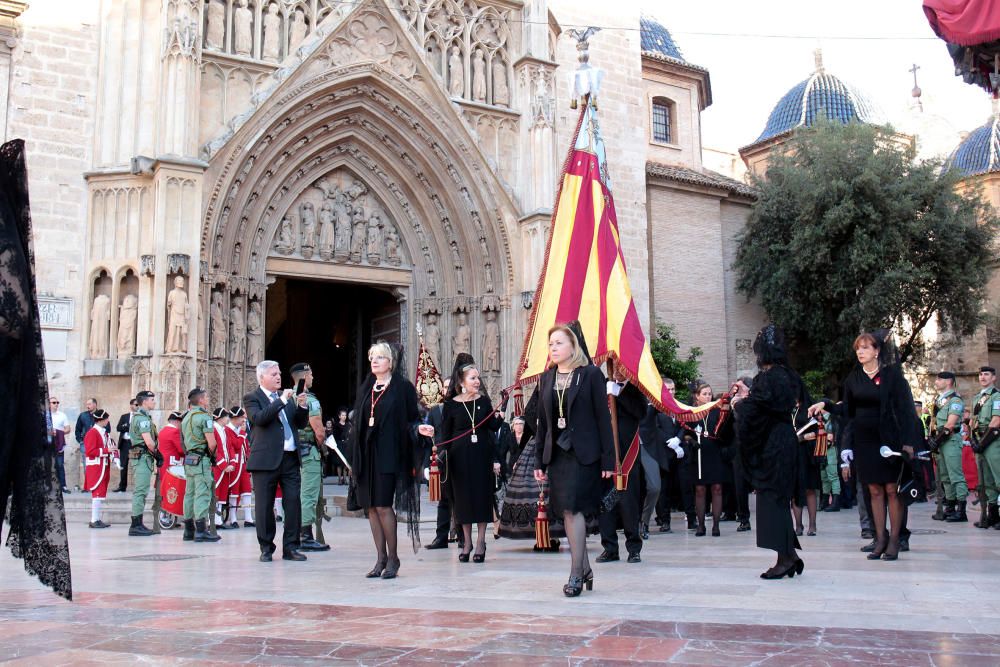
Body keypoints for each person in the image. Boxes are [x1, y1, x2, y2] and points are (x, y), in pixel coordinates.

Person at [809, 331, 921, 560]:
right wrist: (826, 404)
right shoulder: (853, 379)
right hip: (865, 441)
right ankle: (879, 539)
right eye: (858, 348)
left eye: (865, 348)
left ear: (877, 351)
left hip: (890, 440)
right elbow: (848, 411)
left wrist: (909, 443)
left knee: (892, 489)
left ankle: (895, 540)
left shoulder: (893, 377)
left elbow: (906, 411)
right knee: (874, 491)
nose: (860, 352)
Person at [533, 324, 614, 597]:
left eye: (558, 343)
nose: (553, 348)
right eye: (551, 344)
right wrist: (538, 463)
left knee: (574, 509)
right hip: (557, 454)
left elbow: (604, 419)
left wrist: (608, 461)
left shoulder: (590, 375)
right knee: (566, 510)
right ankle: (586, 567)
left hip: (584, 454)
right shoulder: (546, 379)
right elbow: (543, 424)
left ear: (572, 346)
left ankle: (576, 573)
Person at [348, 342, 432, 578]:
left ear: (391, 362)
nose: (374, 361)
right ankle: (380, 558)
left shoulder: (402, 387)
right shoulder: (367, 387)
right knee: (372, 507)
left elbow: (411, 419)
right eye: (372, 356)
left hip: (389, 453)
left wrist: (419, 430)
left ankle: (393, 558)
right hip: (367, 454)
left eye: (380, 357)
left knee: (384, 505)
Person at [733, 325, 803, 579]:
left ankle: (784, 559)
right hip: (786, 440)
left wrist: (739, 403)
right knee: (779, 499)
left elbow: (757, 409)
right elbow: (769, 403)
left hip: (773, 445)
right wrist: (749, 398)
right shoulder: (789, 375)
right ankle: (790, 555)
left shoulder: (768, 377)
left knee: (771, 499)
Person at [244, 360, 310, 562]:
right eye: (274, 374)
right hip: (265, 460)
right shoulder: (252, 398)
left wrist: (302, 406)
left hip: (289, 457)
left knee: (293, 503)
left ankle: (291, 547)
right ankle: (266, 546)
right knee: (264, 506)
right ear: (262, 377)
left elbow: (299, 423)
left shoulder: (287, 398)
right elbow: (259, 419)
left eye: (279, 373)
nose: (278, 377)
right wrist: (281, 400)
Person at [440, 359, 503, 563]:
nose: (477, 382)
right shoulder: (450, 405)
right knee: (463, 501)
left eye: (478, 378)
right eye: (473, 378)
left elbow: (492, 426)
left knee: (481, 499)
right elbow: (445, 435)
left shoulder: (483, 401)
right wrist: (440, 458)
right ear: (461, 382)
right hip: (459, 460)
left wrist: (502, 409)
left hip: (481, 457)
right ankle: (466, 542)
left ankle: (481, 542)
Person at [498, 390, 566, 550]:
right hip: (538, 448)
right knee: (535, 495)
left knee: (554, 494)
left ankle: (553, 536)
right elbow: (529, 414)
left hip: (557, 447)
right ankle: (542, 536)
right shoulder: (542, 390)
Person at [597, 373, 647, 563]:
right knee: (605, 503)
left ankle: (634, 547)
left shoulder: (634, 387)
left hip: (627, 452)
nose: (618, 369)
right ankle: (609, 547)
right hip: (605, 452)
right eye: (615, 364)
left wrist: (619, 394)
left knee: (629, 502)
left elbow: (641, 412)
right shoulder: (602, 385)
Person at [682, 382, 734, 537]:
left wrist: (727, 414)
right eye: (704, 394)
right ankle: (701, 525)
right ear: (697, 397)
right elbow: (685, 433)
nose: (708, 396)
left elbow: (726, 430)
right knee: (700, 489)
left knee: (717, 488)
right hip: (699, 454)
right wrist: (690, 441)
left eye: (709, 393)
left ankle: (716, 526)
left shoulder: (717, 411)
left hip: (715, 452)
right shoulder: (692, 413)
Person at [290, 362, 330, 552]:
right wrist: (320, 444)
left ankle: (296, 532)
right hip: (308, 451)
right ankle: (306, 536)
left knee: (295, 493)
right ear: (305, 376)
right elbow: (318, 429)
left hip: (292, 452)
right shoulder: (310, 400)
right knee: (309, 494)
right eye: (311, 374)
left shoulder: (288, 397)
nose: (313, 377)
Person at [424, 378, 461, 550]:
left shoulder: (462, 408)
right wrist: (427, 464)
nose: (447, 390)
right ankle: (441, 537)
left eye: (450, 387)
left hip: (459, 457)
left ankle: (463, 537)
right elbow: (427, 440)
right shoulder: (435, 411)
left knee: (460, 499)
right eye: (445, 387)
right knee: (443, 501)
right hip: (440, 460)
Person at [181, 389, 222, 543]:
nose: (208, 399)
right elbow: (211, 442)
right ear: (201, 400)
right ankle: (201, 530)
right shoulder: (204, 417)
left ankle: (188, 529)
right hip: (201, 458)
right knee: (202, 493)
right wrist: (213, 456)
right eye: (206, 397)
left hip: (190, 458)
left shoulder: (186, 417)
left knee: (189, 493)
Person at [932, 372, 969, 523]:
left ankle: (962, 510)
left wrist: (937, 440)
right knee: (945, 477)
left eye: (939, 379)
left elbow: (950, 424)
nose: (936, 381)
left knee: (955, 475)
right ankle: (951, 507)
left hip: (950, 439)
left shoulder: (955, 400)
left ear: (949, 381)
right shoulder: (939, 400)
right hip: (941, 441)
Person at [970, 366, 1000, 529]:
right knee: (986, 481)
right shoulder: (977, 398)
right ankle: (993, 515)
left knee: (998, 478)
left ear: (993, 378)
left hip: (993, 441)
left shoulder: (997, 397)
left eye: (986, 374)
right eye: (980, 374)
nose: (982, 377)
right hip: (980, 440)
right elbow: (973, 421)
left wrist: (983, 443)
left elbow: (996, 421)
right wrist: (974, 440)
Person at [127, 391, 159, 537]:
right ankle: (135, 524)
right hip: (142, 457)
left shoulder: (142, 417)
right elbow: (149, 442)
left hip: (142, 457)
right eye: (152, 400)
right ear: (145, 402)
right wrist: (158, 454)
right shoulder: (142, 419)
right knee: (140, 491)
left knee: (142, 490)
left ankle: (138, 523)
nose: (154, 402)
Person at [792, 391, 821, 537]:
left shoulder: (809, 408)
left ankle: (813, 525)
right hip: (791, 455)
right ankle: (798, 525)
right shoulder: (787, 408)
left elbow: (817, 432)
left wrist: (801, 437)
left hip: (807, 454)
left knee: (809, 489)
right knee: (795, 490)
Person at [83, 409, 113, 528]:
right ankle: (94, 520)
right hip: (96, 466)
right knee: (96, 494)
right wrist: (106, 451)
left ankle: (97, 519)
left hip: (103, 465)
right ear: (100, 420)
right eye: (106, 419)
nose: (107, 421)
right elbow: (90, 451)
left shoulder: (103, 432)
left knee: (99, 494)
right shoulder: (92, 433)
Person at [227, 406, 254, 528]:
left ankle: (248, 518)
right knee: (234, 491)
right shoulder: (228, 430)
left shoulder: (240, 429)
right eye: (242, 418)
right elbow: (236, 446)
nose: (244, 421)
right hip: (234, 464)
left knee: (247, 490)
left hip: (243, 464)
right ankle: (233, 519)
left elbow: (245, 446)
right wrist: (242, 433)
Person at [211, 407, 235, 529]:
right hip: (217, 467)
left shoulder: (225, 430)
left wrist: (232, 462)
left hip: (226, 467)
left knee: (222, 493)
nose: (228, 419)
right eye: (226, 416)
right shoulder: (213, 429)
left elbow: (230, 447)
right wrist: (223, 465)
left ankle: (219, 520)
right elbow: (214, 449)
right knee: (215, 493)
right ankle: (212, 521)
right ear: (220, 418)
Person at [115, 399, 138, 492]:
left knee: (136, 465)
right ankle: (122, 486)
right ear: (131, 405)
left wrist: (127, 427)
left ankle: (137, 486)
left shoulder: (141, 417)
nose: (137, 406)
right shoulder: (124, 416)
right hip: (125, 443)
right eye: (136, 404)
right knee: (123, 465)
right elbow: (118, 427)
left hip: (134, 444)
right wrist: (127, 427)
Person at [48, 396, 70, 494]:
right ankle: (48, 486)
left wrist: (58, 432)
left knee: (60, 465)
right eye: (54, 402)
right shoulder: (45, 415)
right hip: (47, 444)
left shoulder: (62, 415)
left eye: (57, 402)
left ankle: (63, 486)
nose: (56, 404)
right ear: (49, 404)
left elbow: (68, 429)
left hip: (59, 443)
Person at [75, 397, 97, 487]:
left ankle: (96, 485)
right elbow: (77, 430)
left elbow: (107, 428)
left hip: (97, 444)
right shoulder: (82, 415)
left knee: (96, 464)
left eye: (89, 404)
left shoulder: (101, 414)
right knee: (86, 464)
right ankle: (88, 485)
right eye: (87, 404)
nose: (87, 406)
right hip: (85, 443)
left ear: (95, 404)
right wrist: (80, 441)